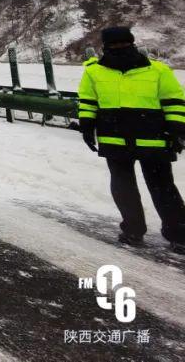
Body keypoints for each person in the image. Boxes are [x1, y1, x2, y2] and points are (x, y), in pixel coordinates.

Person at [78, 26, 185, 253]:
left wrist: (87, 127)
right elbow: (174, 101)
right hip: (148, 139)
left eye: (121, 44)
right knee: (159, 187)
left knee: (131, 186)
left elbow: (88, 102)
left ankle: (135, 230)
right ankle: (176, 234)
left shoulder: (95, 71)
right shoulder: (157, 70)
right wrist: (176, 130)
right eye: (116, 44)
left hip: (127, 139)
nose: (119, 48)